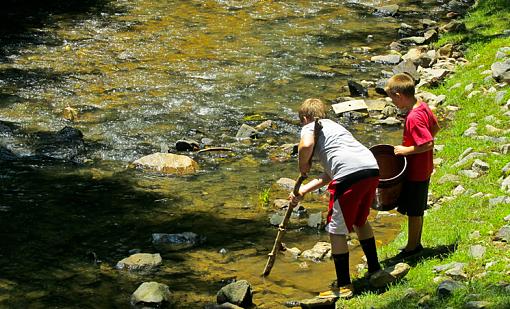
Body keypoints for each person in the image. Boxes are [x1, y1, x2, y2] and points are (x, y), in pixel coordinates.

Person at [289, 98, 385, 299]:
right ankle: (375, 270)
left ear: (305, 117)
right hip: (371, 169)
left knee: (335, 229)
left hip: (349, 175)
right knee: (360, 220)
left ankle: (344, 286)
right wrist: (304, 189)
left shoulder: (310, 126)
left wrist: (302, 165)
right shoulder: (335, 127)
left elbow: (305, 146)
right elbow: (331, 172)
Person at [385, 73, 440, 258]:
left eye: (392, 98)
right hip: (424, 167)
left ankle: (412, 248)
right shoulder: (422, 106)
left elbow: (428, 143)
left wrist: (404, 150)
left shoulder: (413, 117)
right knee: (416, 209)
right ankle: (415, 243)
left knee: (414, 211)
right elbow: (436, 128)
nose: (392, 102)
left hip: (416, 172)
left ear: (399, 95)